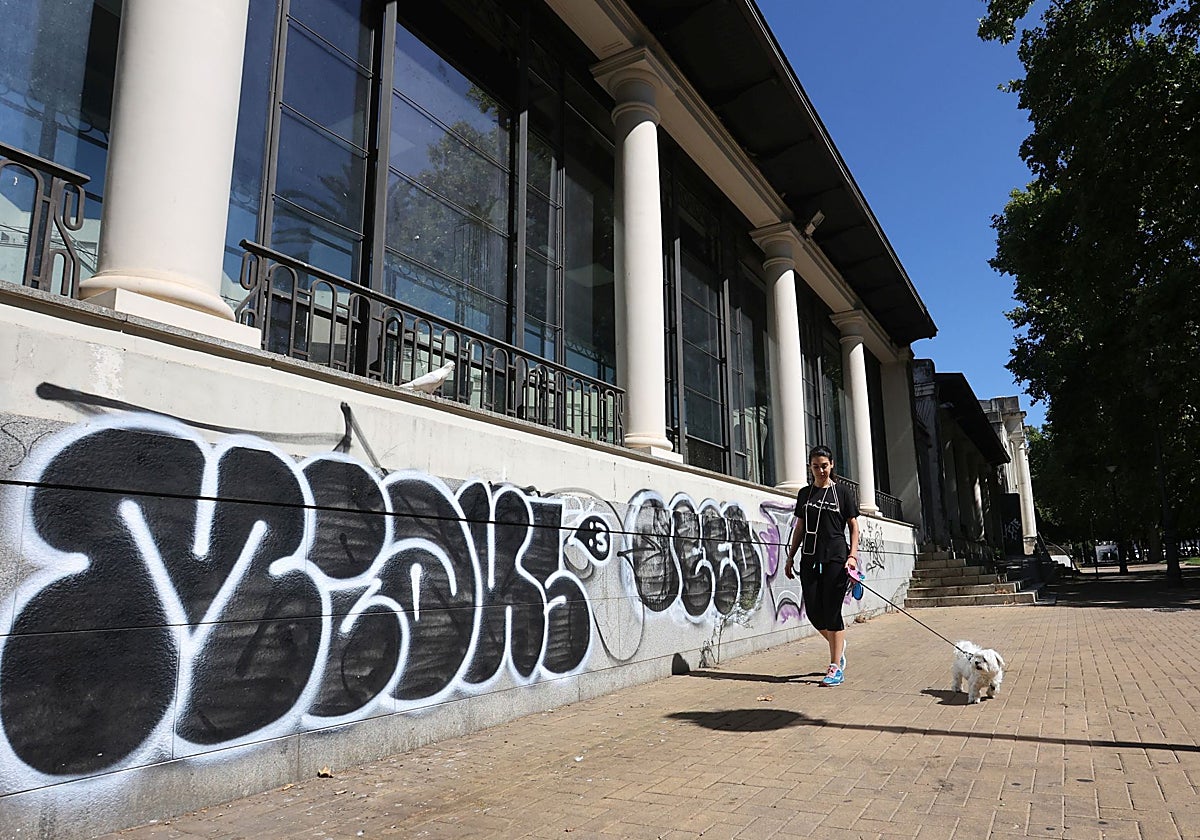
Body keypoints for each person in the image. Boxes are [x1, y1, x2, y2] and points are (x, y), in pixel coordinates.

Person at [784, 445, 860, 686]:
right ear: (810, 467)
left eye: (824, 466)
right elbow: (799, 527)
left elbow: (854, 527)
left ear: (832, 465)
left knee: (832, 610)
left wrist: (852, 556)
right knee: (814, 613)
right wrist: (790, 556)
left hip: (837, 558)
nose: (820, 470)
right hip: (809, 557)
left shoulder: (842, 493)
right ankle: (838, 644)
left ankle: (835, 666)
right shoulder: (805, 494)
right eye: (816, 466)